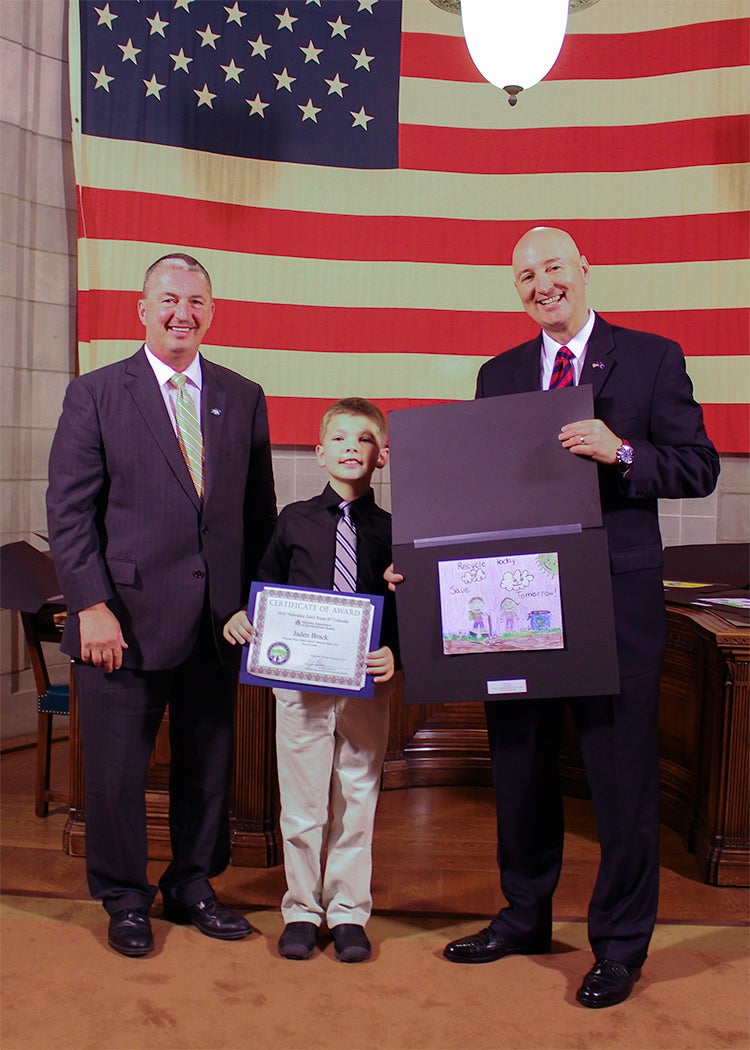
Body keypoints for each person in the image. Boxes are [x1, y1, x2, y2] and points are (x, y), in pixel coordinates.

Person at [441, 227, 720, 1007]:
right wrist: (426, 557)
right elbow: (482, 489)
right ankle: (523, 915)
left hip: (615, 604)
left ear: (584, 270)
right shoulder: (498, 374)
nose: (542, 284)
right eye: (526, 275)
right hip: (519, 603)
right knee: (520, 768)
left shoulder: (653, 358)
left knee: (621, 781)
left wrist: (621, 451)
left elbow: (699, 467)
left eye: (553, 267)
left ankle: (620, 947)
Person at [46, 253, 277, 957]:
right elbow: (69, 511)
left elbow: (257, 514)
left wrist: (257, 602)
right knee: (117, 773)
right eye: (169, 300)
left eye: (196, 301)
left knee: (207, 767)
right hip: (123, 624)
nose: (183, 313)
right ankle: (124, 898)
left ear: (212, 311)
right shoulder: (95, 394)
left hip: (218, 623)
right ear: (142, 309)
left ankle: (192, 885)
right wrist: (90, 604)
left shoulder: (243, 395)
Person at [224, 398, 398, 963]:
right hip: (300, 686)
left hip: (366, 685)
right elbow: (265, 587)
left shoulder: (395, 531)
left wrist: (395, 652)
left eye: (365, 439)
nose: (352, 447)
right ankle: (301, 909)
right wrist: (242, 616)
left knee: (357, 800)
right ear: (320, 452)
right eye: (340, 438)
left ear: (382, 456)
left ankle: (348, 912)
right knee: (302, 807)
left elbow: (408, 609)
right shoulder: (293, 521)